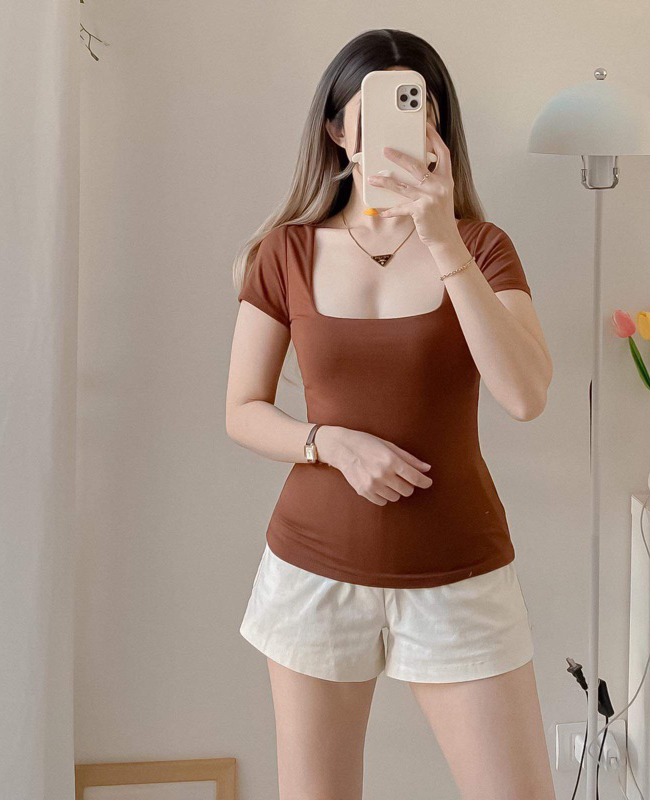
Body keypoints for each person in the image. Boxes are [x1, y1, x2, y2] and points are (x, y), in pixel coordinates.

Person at [226, 28, 554, 800]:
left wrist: (443, 243)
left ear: (441, 129)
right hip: (311, 574)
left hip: (459, 574)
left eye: (422, 109)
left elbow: (525, 395)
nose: (405, 127)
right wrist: (330, 443)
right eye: (375, 110)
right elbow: (242, 410)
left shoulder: (482, 246)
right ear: (338, 130)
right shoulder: (284, 252)